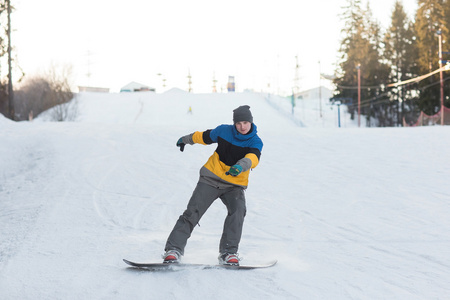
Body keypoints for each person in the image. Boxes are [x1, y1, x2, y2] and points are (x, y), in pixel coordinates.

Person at [163, 105, 263, 265]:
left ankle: (229, 252)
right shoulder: (224, 131)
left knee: (238, 211)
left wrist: (240, 166)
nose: (242, 127)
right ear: (234, 123)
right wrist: (186, 139)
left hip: (234, 184)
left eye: (245, 122)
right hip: (210, 178)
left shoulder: (255, 141)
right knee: (192, 212)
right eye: (238, 123)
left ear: (251, 122)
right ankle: (173, 250)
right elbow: (203, 136)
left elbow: (253, 158)